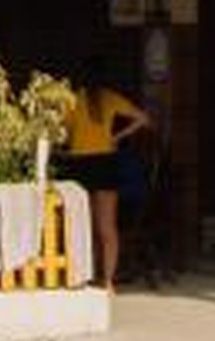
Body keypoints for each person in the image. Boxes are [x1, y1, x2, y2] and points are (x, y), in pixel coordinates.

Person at [58, 69, 153, 289]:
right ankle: (108, 280)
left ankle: (86, 276)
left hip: (79, 164)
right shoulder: (110, 97)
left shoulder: (71, 100)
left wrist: (68, 146)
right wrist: (116, 137)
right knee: (107, 227)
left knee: (83, 225)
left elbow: (61, 130)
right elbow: (144, 119)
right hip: (105, 162)